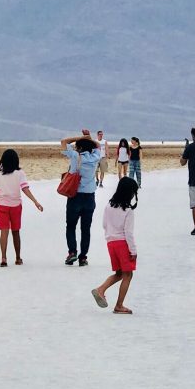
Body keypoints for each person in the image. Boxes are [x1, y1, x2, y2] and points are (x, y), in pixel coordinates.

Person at [91, 177, 139, 314]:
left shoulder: (108, 206)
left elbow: (104, 225)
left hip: (110, 243)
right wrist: (133, 251)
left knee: (119, 273)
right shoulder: (128, 211)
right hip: (122, 243)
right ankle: (119, 305)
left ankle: (101, 290)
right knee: (128, 275)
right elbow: (128, 233)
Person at [0, 149, 43, 267]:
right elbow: (25, 189)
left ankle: (3, 258)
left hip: (2, 205)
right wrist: (35, 201)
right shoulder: (20, 173)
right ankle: (18, 258)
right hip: (15, 206)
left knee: (4, 232)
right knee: (16, 232)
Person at [61, 130, 101, 266]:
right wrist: (89, 138)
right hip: (90, 197)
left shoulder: (74, 156)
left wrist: (81, 137)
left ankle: (72, 252)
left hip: (75, 195)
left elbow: (64, 141)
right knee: (86, 229)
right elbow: (97, 146)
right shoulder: (95, 156)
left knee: (71, 226)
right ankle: (83, 257)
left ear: (79, 147)